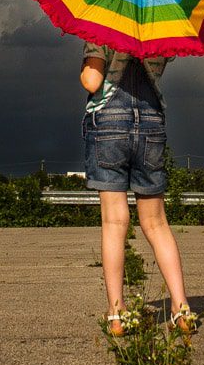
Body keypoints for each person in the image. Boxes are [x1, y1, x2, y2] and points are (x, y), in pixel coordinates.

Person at [80, 39, 195, 336]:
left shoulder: (100, 29)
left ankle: (117, 314)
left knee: (115, 222)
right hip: (151, 123)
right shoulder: (160, 32)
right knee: (157, 223)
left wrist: (86, 68)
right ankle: (181, 308)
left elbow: (92, 81)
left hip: (109, 124)